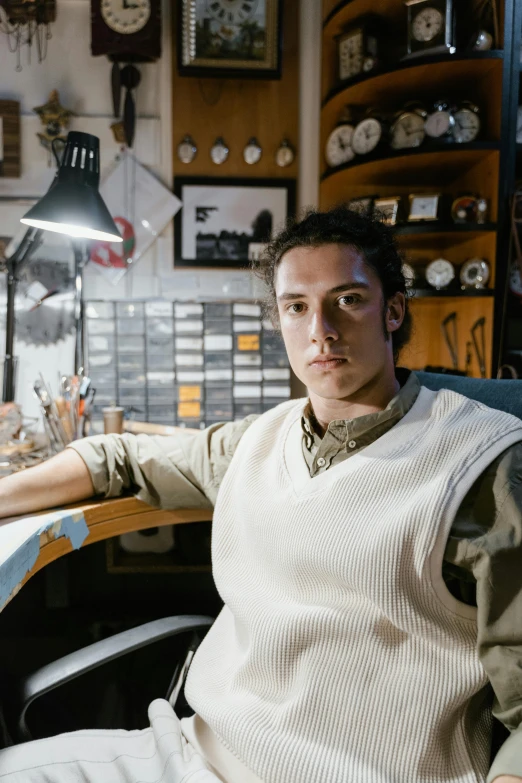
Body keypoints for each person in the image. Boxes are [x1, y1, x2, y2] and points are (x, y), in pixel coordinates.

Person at [0, 206, 521, 783]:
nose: (320, 329)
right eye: (297, 307)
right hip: (200, 753)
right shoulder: (260, 439)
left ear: (393, 310)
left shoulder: (485, 463)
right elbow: (113, 457)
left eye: (347, 299)